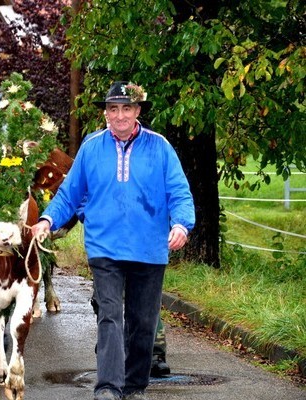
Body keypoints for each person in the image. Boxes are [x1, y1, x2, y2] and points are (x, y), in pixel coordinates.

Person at [31, 81, 195, 400]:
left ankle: (134, 387)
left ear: (137, 112)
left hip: (149, 249)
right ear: (106, 113)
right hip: (104, 248)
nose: (119, 115)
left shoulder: (160, 147)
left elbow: (179, 193)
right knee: (109, 315)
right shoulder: (92, 148)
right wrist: (47, 219)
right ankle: (108, 386)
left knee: (143, 323)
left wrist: (182, 225)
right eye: (113, 109)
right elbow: (70, 193)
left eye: (126, 108)